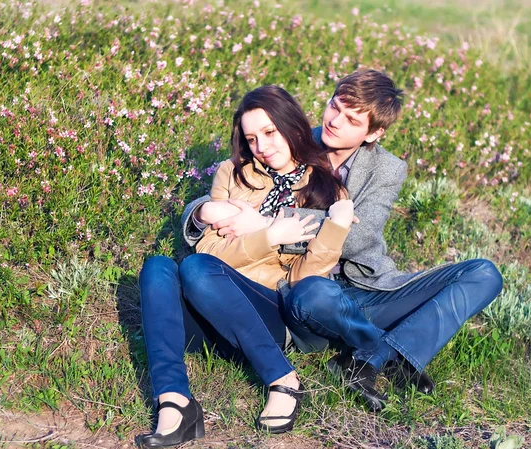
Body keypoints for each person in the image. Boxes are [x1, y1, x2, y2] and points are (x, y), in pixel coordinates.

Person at [182, 69, 504, 412]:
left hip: (367, 288)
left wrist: (269, 224)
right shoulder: (295, 139)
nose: (335, 121)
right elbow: (234, 178)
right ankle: (388, 353)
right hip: (308, 290)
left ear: (374, 133)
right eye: (335, 107)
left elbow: (359, 237)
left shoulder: (387, 169)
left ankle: (374, 357)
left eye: (352, 119)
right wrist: (202, 210)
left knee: (484, 274)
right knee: (315, 293)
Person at [137, 85, 382, 448]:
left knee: (195, 270)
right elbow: (208, 249)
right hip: (209, 308)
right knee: (159, 267)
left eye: (270, 132)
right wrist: (269, 234)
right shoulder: (232, 174)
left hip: (267, 314)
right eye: (252, 138)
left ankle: (282, 380)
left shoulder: (327, 189)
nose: (262, 146)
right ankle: (176, 404)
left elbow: (303, 280)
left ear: (292, 126)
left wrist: (337, 226)